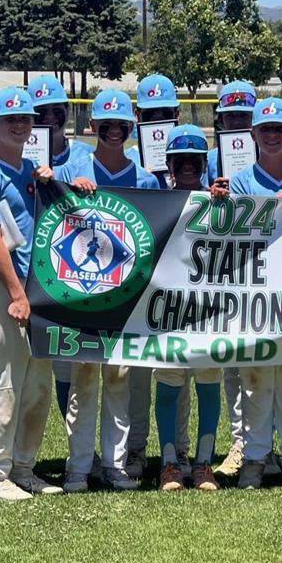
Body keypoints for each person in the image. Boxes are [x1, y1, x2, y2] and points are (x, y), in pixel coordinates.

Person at [44, 89, 160, 492]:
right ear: (93, 126)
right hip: (81, 294)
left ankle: (114, 463)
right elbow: (44, 197)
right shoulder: (75, 165)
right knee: (83, 382)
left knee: (119, 381)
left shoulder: (144, 177)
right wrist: (60, 183)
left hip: (125, 297)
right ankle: (78, 466)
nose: (113, 131)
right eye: (105, 125)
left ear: (131, 128)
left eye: (121, 125)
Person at [215, 97, 282, 490]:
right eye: (265, 129)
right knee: (253, 379)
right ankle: (254, 458)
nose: (272, 136)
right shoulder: (238, 181)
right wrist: (216, 203)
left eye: (279, 129)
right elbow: (228, 234)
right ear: (252, 134)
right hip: (252, 293)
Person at [0, 87, 62, 500]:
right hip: (3, 289)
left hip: (38, 289)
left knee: (37, 385)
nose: (19, 125)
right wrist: (16, 294)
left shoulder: (34, 170)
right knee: (4, 383)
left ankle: (23, 467)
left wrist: (64, 184)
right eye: (10, 119)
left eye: (24, 119)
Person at [154, 124, 223, 492]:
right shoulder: (154, 201)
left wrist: (226, 203)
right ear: (169, 164)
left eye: (194, 161)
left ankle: (204, 464)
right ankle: (169, 464)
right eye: (180, 162)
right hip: (167, 309)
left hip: (211, 310)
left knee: (209, 385)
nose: (187, 168)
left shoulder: (220, 203)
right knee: (168, 386)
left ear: (203, 163)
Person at [27, 74, 94, 426]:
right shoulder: (20, 159)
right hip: (38, 270)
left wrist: (74, 184)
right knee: (52, 364)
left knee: (83, 358)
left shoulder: (84, 156)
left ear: (66, 113)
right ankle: (74, 441)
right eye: (40, 113)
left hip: (80, 266)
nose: (48, 118)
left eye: (54, 111)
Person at [125, 73, 183, 479]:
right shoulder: (134, 166)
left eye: (164, 113)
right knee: (134, 373)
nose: (157, 120)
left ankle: (175, 451)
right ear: (137, 115)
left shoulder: (196, 155)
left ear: (176, 114)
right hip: (137, 281)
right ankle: (135, 450)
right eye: (150, 114)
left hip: (182, 280)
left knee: (179, 365)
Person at [207, 80, 256, 477]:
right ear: (219, 118)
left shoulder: (273, 156)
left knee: (271, 365)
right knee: (232, 364)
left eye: (245, 115)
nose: (237, 121)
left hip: (264, 276)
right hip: (223, 272)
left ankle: (266, 444)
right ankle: (241, 442)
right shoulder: (209, 159)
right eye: (231, 115)